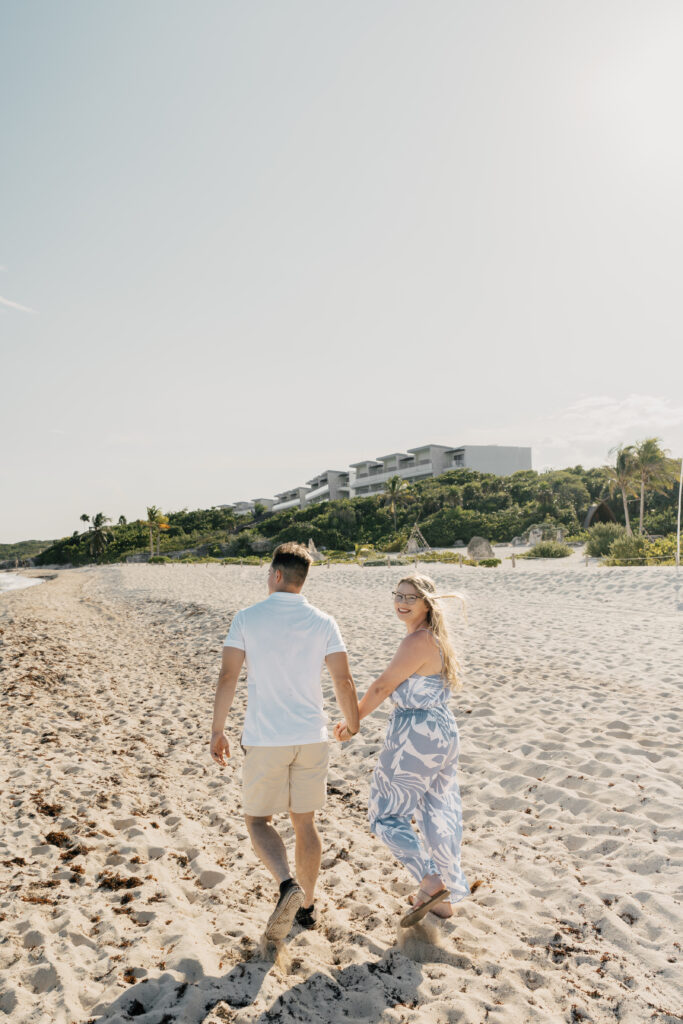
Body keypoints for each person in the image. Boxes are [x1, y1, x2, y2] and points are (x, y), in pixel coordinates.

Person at [211, 542, 360, 941]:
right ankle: (307, 908)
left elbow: (228, 678)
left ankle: (285, 884)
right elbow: (343, 681)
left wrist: (217, 730)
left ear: (276, 575)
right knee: (305, 822)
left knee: (258, 820)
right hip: (312, 736)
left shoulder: (247, 618)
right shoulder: (324, 621)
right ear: (302, 578)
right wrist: (352, 723)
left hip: (266, 738)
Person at [335, 573, 469, 927]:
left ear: (427, 603)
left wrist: (353, 722)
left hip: (416, 735)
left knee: (384, 814)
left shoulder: (417, 641)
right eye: (398, 594)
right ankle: (439, 901)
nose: (402, 602)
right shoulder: (434, 638)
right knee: (437, 810)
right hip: (442, 730)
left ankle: (431, 879)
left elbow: (381, 688)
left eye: (411, 597)